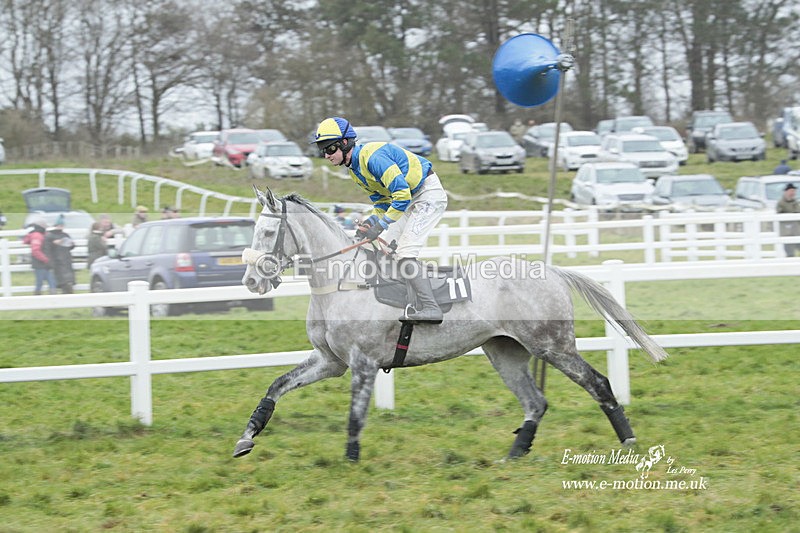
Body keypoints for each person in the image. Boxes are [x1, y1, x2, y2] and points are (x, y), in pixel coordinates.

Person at [314, 116, 448, 323]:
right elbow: (383, 204)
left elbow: (401, 194)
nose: (326, 155)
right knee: (388, 251)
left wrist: (381, 225)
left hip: (427, 194)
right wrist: (371, 222)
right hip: (408, 198)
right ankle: (406, 299)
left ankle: (432, 308)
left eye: (329, 149)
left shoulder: (373, 158)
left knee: (405, 253)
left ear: (345, 143)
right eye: (322, 150)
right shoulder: (355, 171)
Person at [22, 218, 56, 295]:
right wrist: (45, 259)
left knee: (49, 281)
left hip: (42, 262)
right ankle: (39, 297)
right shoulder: (37, 236)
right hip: (40, 263)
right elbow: (35, 251)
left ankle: (48, 296)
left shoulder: (37, 235)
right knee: (42, 282)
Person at [45, 214, 76, 293]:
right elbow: (47, 248)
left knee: (67, 279)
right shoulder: (50, 236)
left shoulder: (65, 235)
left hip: (66, 259)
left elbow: (71, 246)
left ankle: (68, 292)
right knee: (61, 279)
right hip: (57, 260)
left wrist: (72, 244)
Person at [777, 183, 800, 257]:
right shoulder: (781, 203)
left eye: (794, 191)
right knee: (789, 252)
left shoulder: (796, 202)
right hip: (787, 232)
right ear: (786, 192)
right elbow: (779, 214)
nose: (793, 193)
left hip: (797, 231)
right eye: (791, 191)